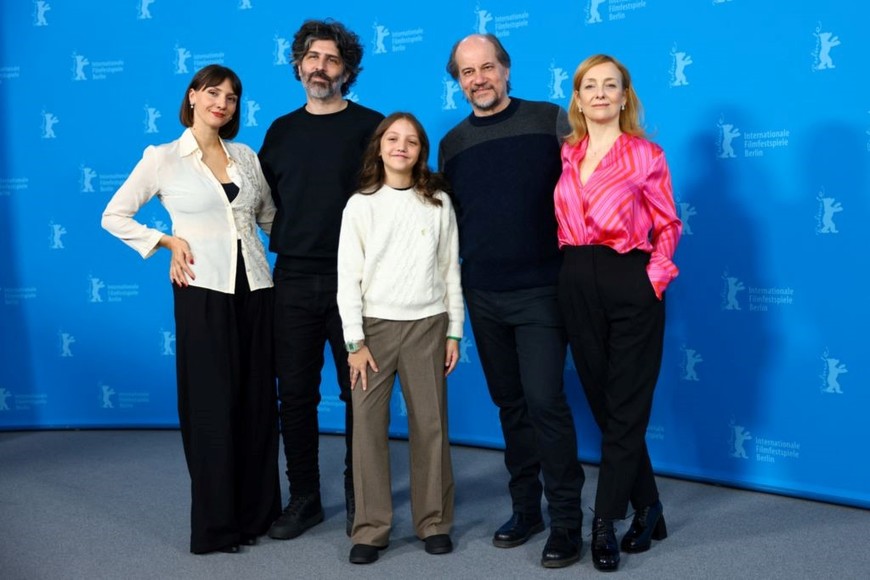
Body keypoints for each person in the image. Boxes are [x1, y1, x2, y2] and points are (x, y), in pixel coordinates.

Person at [101, 65, 281, 555]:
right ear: (194, 96)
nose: (223, 103)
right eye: (214, 93)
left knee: (257, 402)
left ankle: (259, 513)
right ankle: (218, 526)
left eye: (233, 97)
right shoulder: (163, 158)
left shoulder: (245, 156)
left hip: (258, 289)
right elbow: (113, 215)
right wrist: (165, 241)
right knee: (211, 407)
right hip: (202, 290)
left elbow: (268, 218)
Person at [438, 34, 585, 569]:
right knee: (511, 405)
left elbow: (589, 186)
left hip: (544, 289)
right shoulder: (451, 144)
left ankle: (568, 520)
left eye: (487, 68)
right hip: (483, 294)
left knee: (546, 402)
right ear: (458, 80)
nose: (478, 79)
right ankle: (527, 509)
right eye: (466, 72)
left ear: (505, 69)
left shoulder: (550, 120)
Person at [554, 54, 681, 572]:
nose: (601, 93)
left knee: (626, 406)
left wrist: (652, 281)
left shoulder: (646, 154)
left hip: (629, 279)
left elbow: (668, 223)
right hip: (574, 281)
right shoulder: (566, 154)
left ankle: (604, 522)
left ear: (625, 96)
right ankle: (649, 506)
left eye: (611, 85)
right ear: (578, 99)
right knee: (607, 405)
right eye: (590, 86)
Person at [258, 19, 384, 540]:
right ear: (298, 64)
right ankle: (305, 497)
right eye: (313, 57)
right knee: (294, 395)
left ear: (347, 70)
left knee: (360, 393)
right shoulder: (280, 131)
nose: (320, 67)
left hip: (353, 284)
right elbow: (261, 206)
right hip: (290, 279)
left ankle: (362, 497)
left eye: (332, 60)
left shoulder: (372, 127)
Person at [337, 112, 463, 564]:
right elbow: (347, 278)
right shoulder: (360, 205)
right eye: (393, 138)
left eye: (411, 140)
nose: (401, 146)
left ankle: (434, 521)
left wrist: (454, 330)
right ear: (380, 146)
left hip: (429, 325)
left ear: (420, 151)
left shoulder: (438, 202)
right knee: (368, 429)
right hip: (373, 330)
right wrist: (355, 342)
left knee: (430, 425)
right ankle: (370, 529)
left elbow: (450, 269)